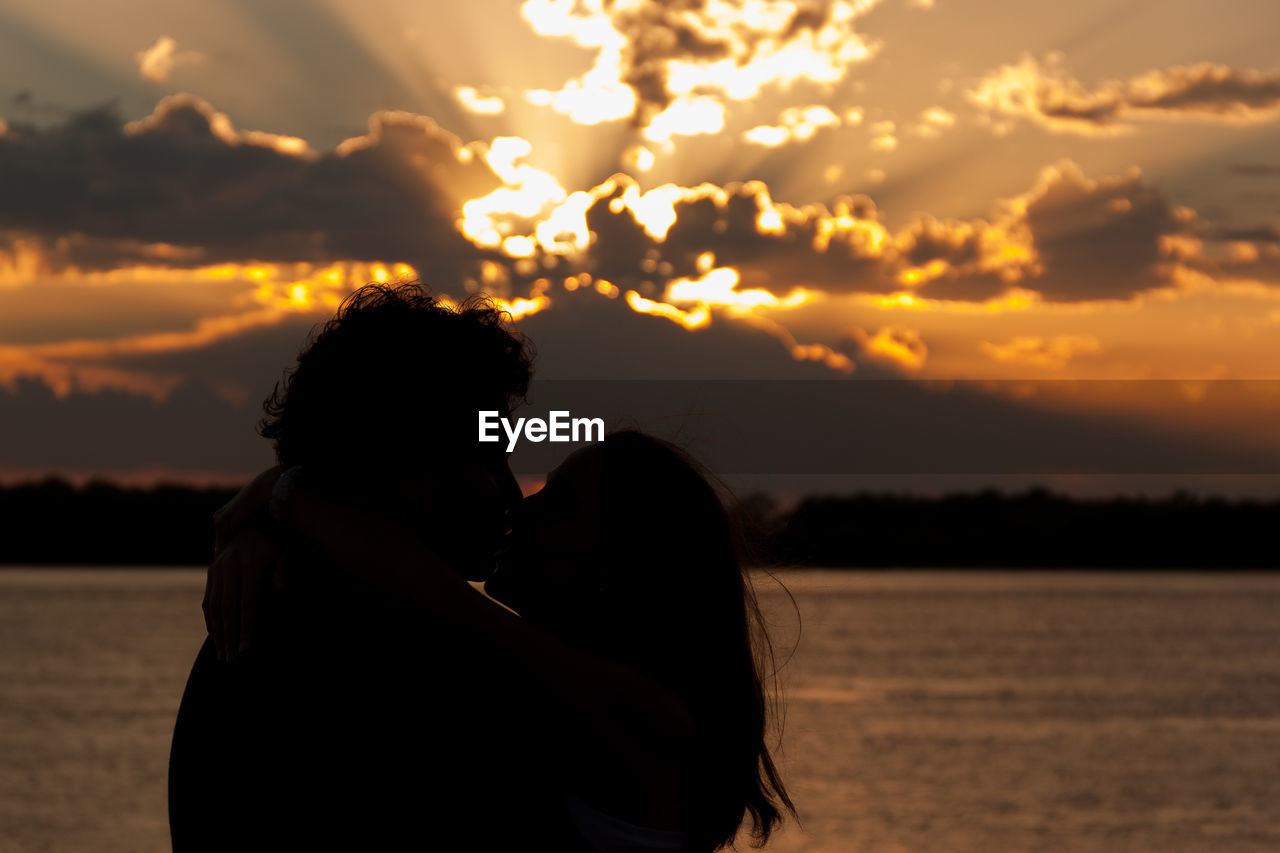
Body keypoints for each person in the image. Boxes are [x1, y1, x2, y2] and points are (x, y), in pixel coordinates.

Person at [209, 428, 797, 852]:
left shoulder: (648, 717)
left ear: (611, 572)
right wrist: (270, 534)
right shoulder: (548, 684)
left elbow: (421, 586)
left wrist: (283, 496)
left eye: (558, 503)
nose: (521, 505)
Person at [168, 283, 581, 850]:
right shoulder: (408, 659)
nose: (512, 493)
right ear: (407, 471)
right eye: (489, 458)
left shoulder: (272, 615)